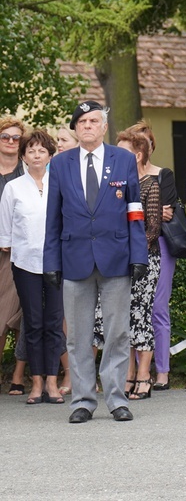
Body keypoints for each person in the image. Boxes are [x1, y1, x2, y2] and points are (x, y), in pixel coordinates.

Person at [43, 100, 149, 423]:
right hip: (73, 258)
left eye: (93, 121)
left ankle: (117, 399)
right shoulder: (60, 164)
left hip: (116, 257)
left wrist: (139, 253)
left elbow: (134, 210)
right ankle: (83, 401)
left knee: (117, 332)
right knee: (77, 335)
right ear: (75, 129)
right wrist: (51, 260)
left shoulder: (123, 159)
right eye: (82, 122)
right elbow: (52, 218)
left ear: (104, 127)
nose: (87, 126)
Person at [0, 129, 64, 405]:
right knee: (33, 323)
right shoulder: (13, 188)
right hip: (24, 263)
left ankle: (52, 381)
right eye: (31, 151)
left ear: (50, 154)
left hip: (57, 263)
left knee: (53, 323)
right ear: (24, 156)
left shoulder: (60, 183)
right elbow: (6, 233)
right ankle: (36, 383)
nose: (36, 155)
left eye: (42, 150)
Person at [128, 120, 177, 391]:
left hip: (159, 246)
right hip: (128, 249)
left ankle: (162, 371)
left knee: (157, 308)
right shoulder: (121, 178)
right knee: (133, 309)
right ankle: (135, 370)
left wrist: (151, 213)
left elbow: (164, 214)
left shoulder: (162, 175)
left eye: (143, 141)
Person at [115, 127, 162, 400]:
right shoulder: (115, 186)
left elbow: (152, 229)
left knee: (140, 315)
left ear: (137, 155)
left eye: (122, 152)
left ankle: (144, 376)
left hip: (144, 260)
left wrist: (125, 251)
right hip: (117, 262)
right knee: (121, 319)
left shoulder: (150, 185)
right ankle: (128, 374)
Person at [0, 115, 27, 396]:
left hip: (18, 252)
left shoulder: (27, 171)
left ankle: (18, 376)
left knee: (16, 316)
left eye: (15, 137)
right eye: (5, 137)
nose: (10, 142)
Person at [54, 124, 80, 396]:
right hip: (62, 250)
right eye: (57, 140)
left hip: (89, 254)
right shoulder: (55, 169)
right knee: (64, 320)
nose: (59, 143)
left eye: (63, 139)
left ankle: (82, 376)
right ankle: (68, 374)